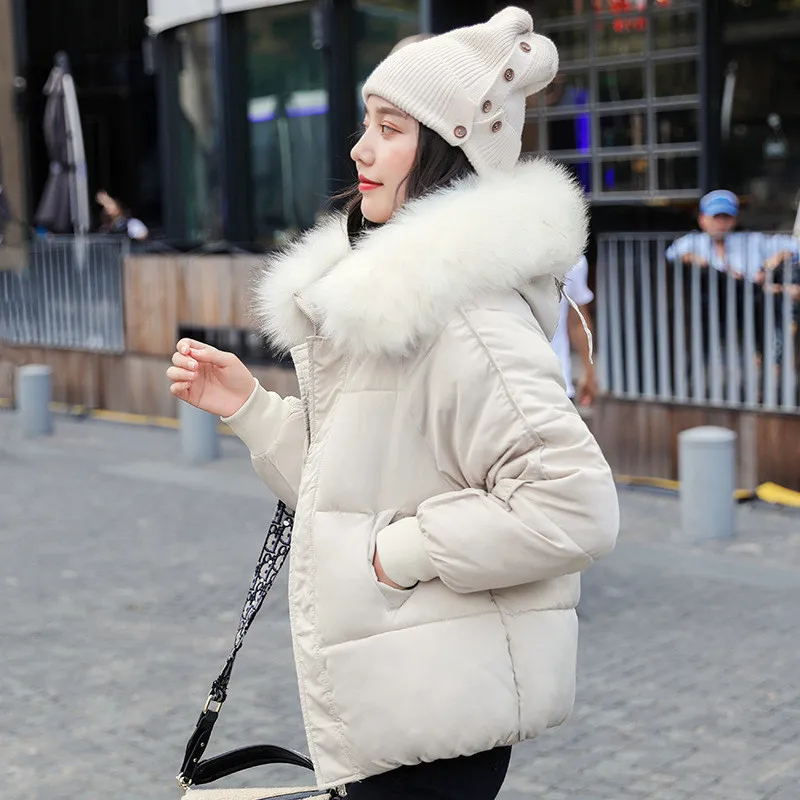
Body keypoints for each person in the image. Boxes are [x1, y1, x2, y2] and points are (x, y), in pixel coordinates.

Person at [167, 8, 619, 799]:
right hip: (401, 704)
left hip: (437, 715)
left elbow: (573, 505)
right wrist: (250, 408)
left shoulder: (468, 318)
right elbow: (348, 495)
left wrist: (399, 554)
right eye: (366, 124)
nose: (360, 149)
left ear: (448, 150)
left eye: (389, 128)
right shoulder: (397, 310)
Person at [552, 256, 597, 407]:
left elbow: (578, 321)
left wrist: (589, 371)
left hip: (558, 383)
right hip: (507, 383)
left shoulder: (573, 257)